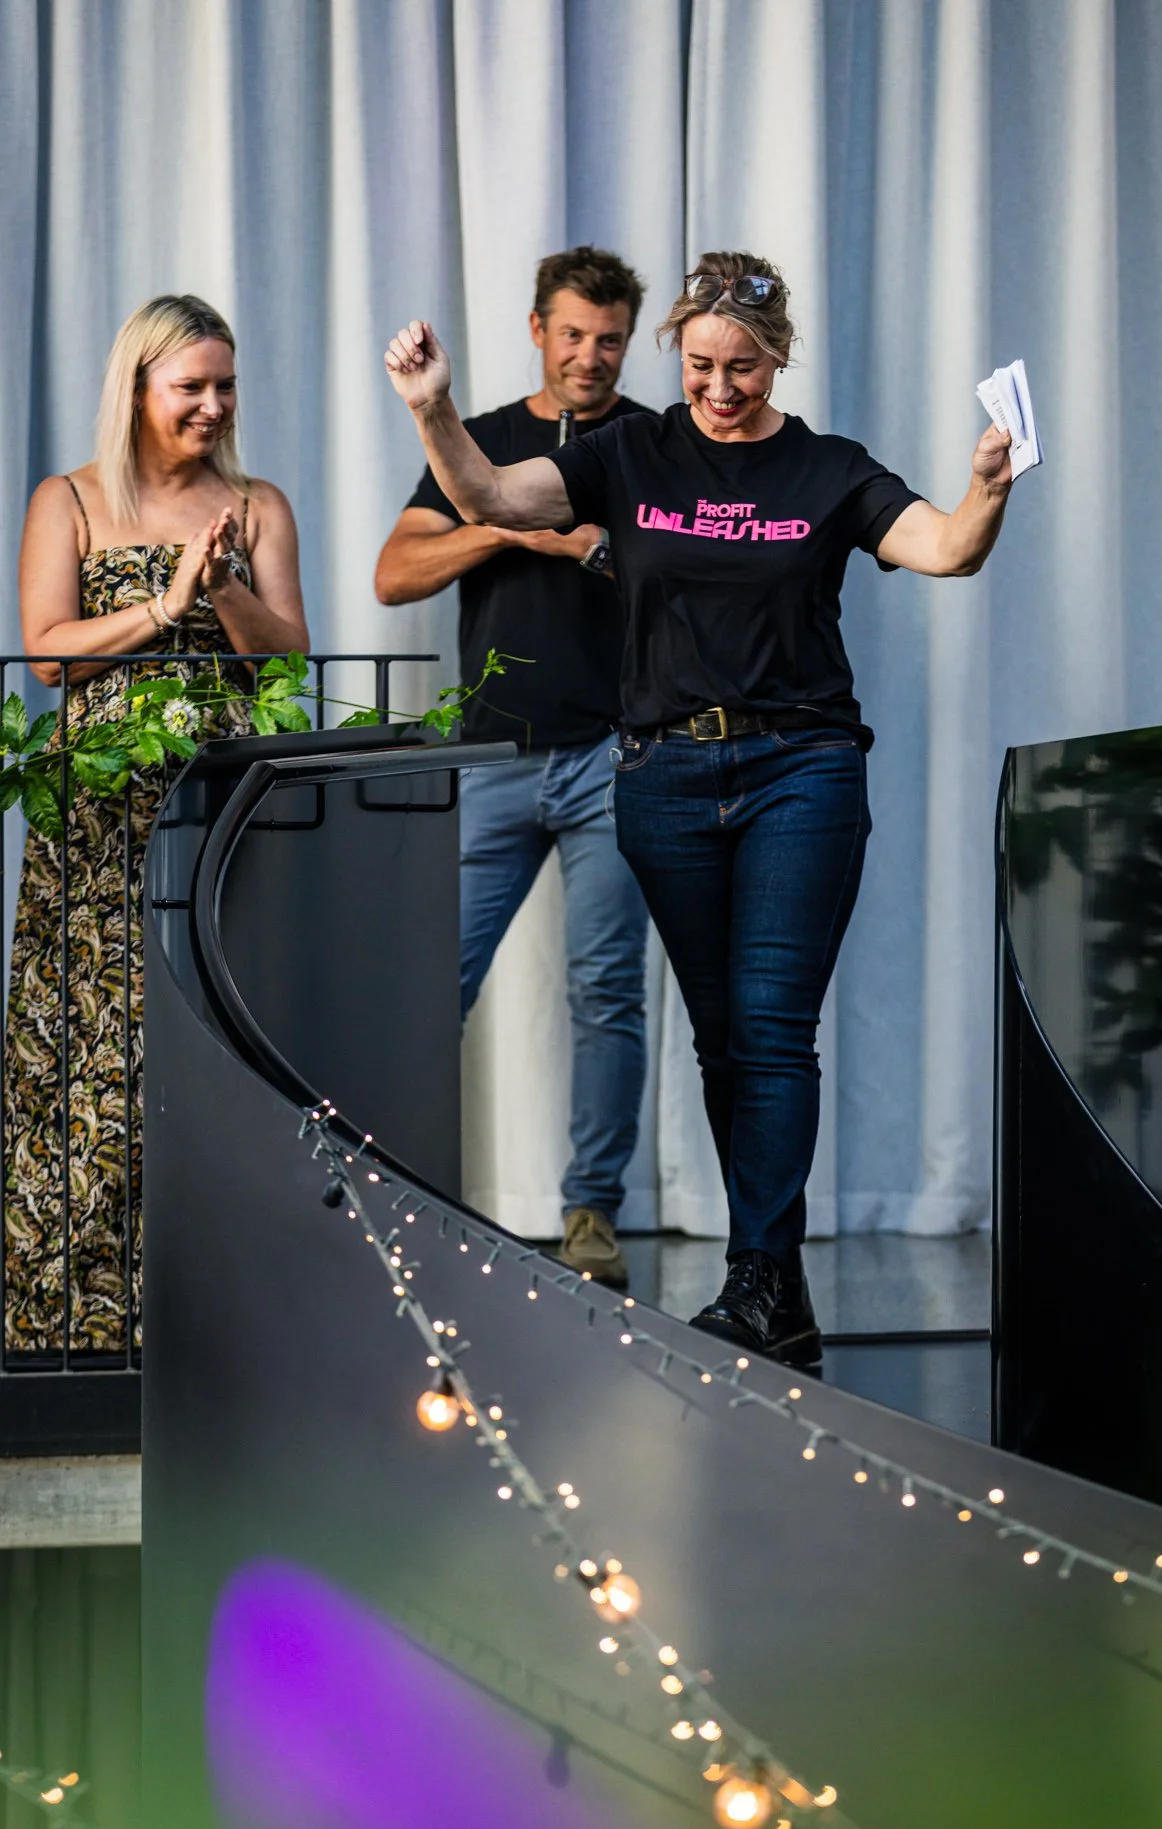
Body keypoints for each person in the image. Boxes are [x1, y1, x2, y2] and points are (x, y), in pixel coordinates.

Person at [382, 251, 1012, 1367]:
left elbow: (946, 550)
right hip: (665, 777)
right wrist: (434, 408)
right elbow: (486, 498)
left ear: (781, 359)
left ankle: (756, 1274)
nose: (722, 390)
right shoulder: (630, 449)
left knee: (771, 1028)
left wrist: (988, 489)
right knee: (723, 1040)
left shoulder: (826, 469)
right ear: (680, 353)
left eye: (747, 369)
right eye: (705, 366)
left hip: (799, 769)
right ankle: (779, 1291)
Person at [13, 293, 308, 1351]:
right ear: (137, 390)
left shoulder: (257, 502)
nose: (214, 405)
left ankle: (214, 1312)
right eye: (191, 387)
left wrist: (224, 590)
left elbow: (286, 657)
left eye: (225, 385)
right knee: (92, 1037)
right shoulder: (72, 500)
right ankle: (76, 1315)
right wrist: (163, 602)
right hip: (98, 801)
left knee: (211, 1028)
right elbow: (47, 652)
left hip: (219, 800)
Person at [375, 246, 653, 1291]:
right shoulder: (478, 444)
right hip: (491, 756)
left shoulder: (652, 445)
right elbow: (396, 571)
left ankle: (592, 1214)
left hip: (615, 760)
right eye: (573, 333)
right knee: (427, 985)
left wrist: (596, 542)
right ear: (537, 328)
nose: (590, 354)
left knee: (606, 991)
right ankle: (392, 1197)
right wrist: (510, 527)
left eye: (610, 338)